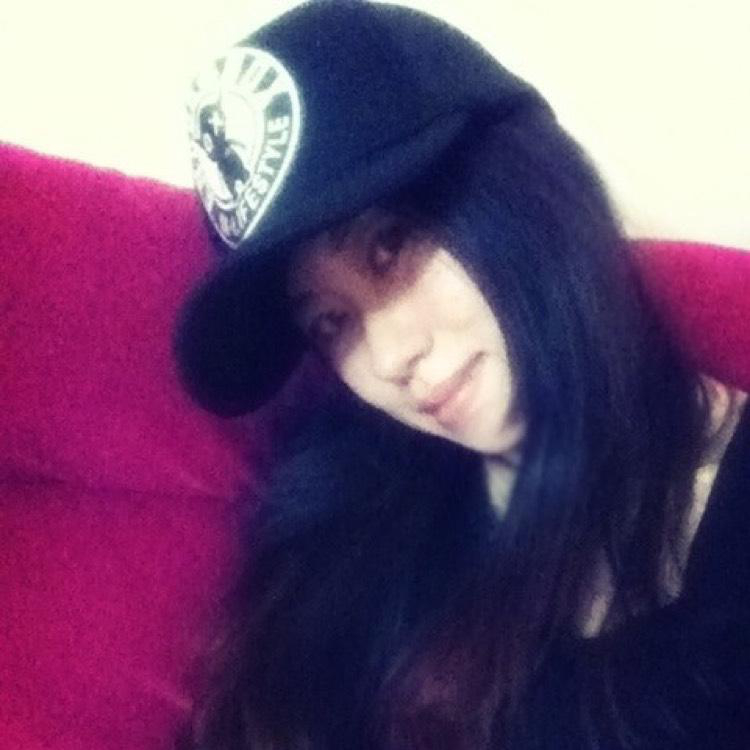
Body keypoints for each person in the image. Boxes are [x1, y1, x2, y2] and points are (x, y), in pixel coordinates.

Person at [174, 1, 750, 748]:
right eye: (330, 322)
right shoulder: (357, 509)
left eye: (390, 248)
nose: (388, 360)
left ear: (526, 190)